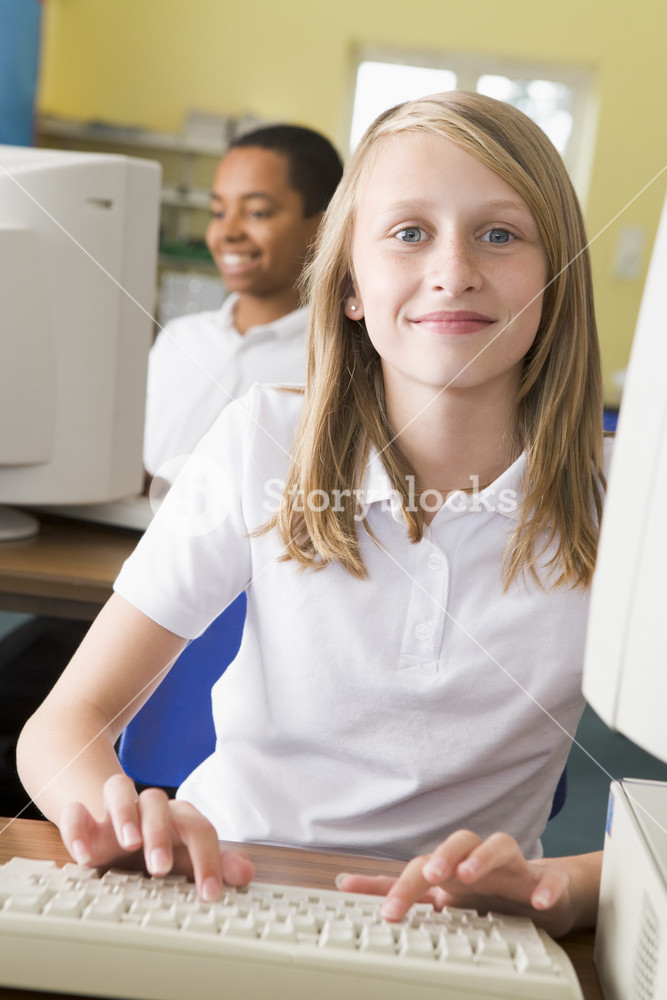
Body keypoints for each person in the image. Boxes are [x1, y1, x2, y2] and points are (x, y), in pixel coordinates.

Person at [17, 91, 609, 938]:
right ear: (350, 287)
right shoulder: (262, 440)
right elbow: (61, 727)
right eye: (409, 233)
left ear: (556, 277)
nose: (453, 269)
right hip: (226, 886)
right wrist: (115, 818)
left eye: (500, 233)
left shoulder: (625, 505)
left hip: (467, 931)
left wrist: (567, 887)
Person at [143, 123, 343, 479]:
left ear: (324, 228)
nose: (228, 232)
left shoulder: (336, 359)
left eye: (257, 213)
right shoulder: (179, 339)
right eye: (218, 212)